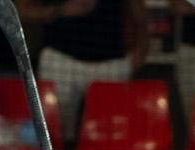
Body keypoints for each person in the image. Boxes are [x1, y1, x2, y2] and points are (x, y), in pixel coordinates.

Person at [32, 0, 146, 134]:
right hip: (60, 59)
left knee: (109, 131)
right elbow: (22, 12)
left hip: (110, 61)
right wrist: (59, 10)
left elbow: (139, 13)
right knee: (53, 131)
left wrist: (141, 50)